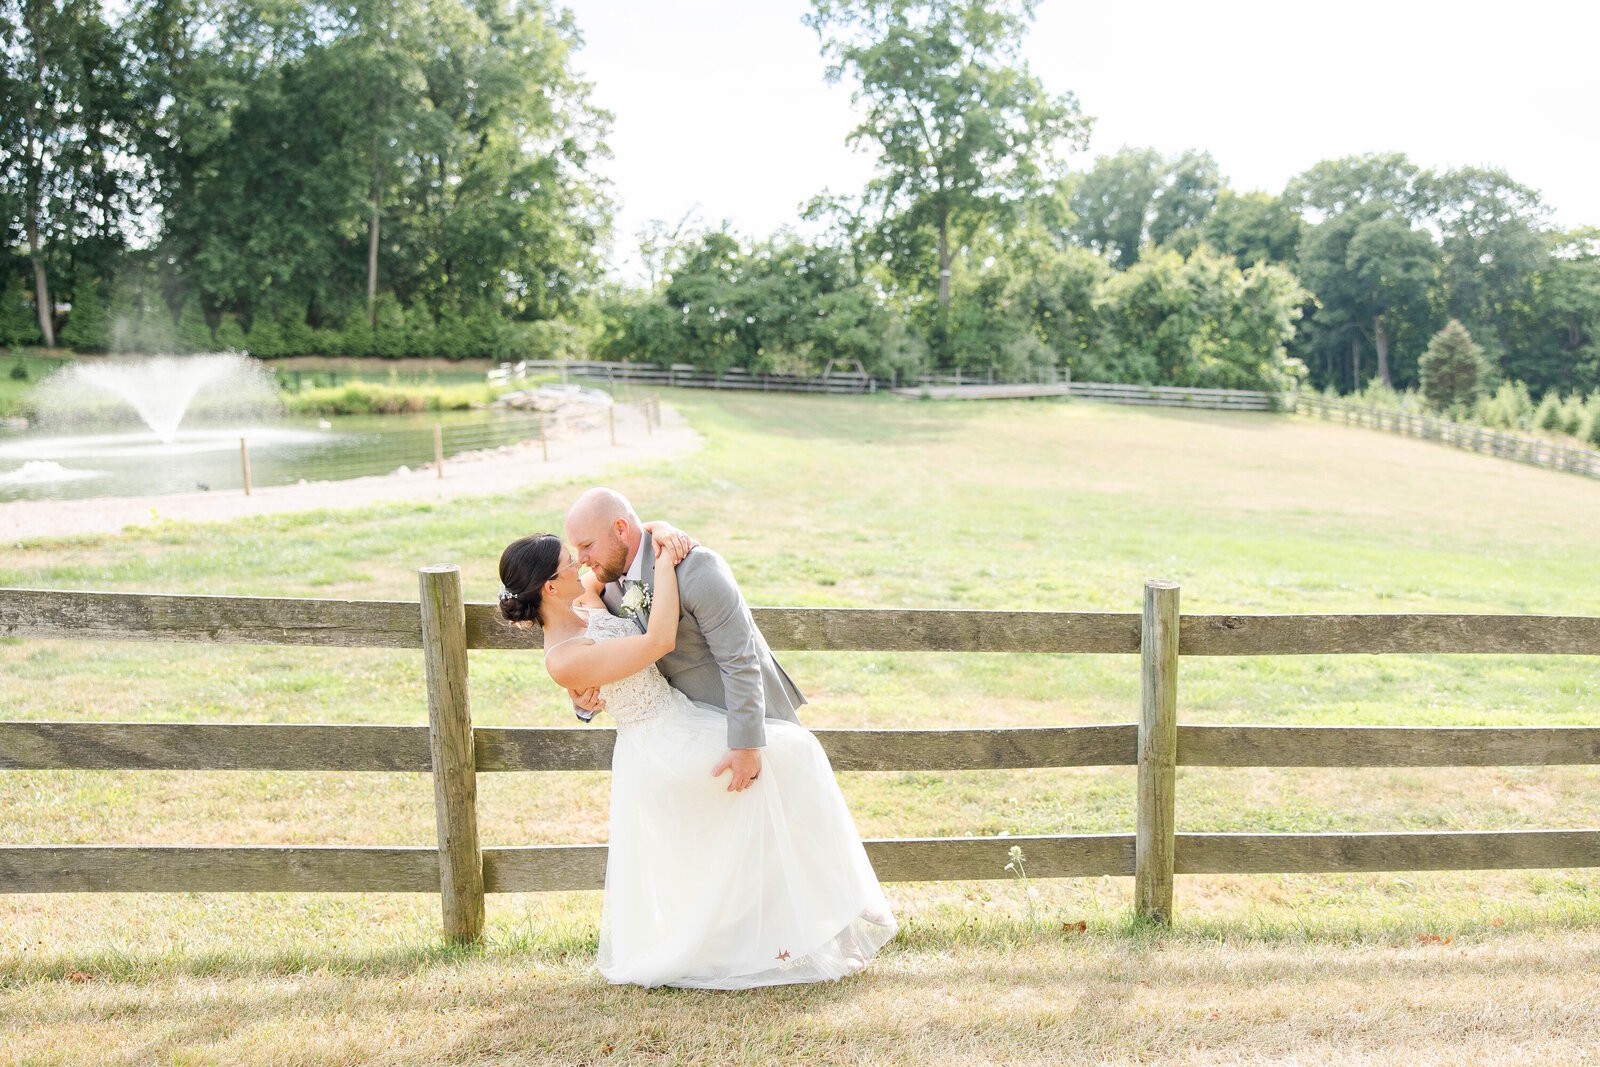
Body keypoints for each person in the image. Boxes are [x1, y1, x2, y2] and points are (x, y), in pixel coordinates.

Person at [497, 521, 896, 989]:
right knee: (792, 756)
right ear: (549, 585)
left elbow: (617, 552)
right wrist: (665, 562)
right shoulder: (562, 657)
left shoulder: (582, 598)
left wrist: (659, 531)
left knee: (789, 767)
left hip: (683, 718)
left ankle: (835, 904)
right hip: (662, 745)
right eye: (570, 561)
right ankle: (838, 902)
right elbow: (658, 641)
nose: (581, 562)